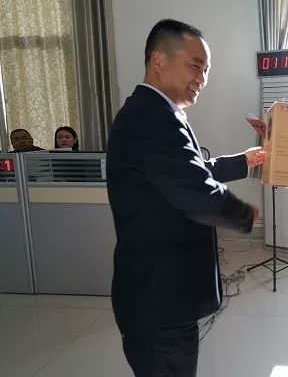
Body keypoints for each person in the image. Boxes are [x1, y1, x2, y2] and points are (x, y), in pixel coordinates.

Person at [106, 19, 265, 377]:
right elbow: (194, 189)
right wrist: (244, 212)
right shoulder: (153, 117)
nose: (202, 78)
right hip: (160, 299)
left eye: (206, 70)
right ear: (158, 60)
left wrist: (244, 161)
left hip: (156, 294)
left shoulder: (153, 111)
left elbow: (186, 170)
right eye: (196, 65)